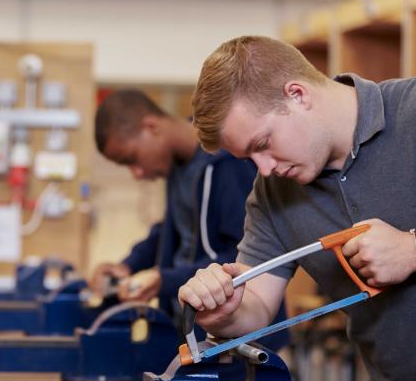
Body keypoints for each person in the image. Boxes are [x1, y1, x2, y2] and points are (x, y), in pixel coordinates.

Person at [178, 35, 416, 381]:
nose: (264, 168)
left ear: (297, 94)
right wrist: (224, 311)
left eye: (263, 143)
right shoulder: (272, 192)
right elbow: (256, 305)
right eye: (249, 157)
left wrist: (414, 250)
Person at [92, 89, 289, 351]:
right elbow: (169, 231)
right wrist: (128, 266)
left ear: (151, 127)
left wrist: (165, 280)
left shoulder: (228, 163)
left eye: (132, 159)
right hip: (195, 333)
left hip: (240, 343)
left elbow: (246, 257)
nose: (137, 173)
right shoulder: (180, 167)